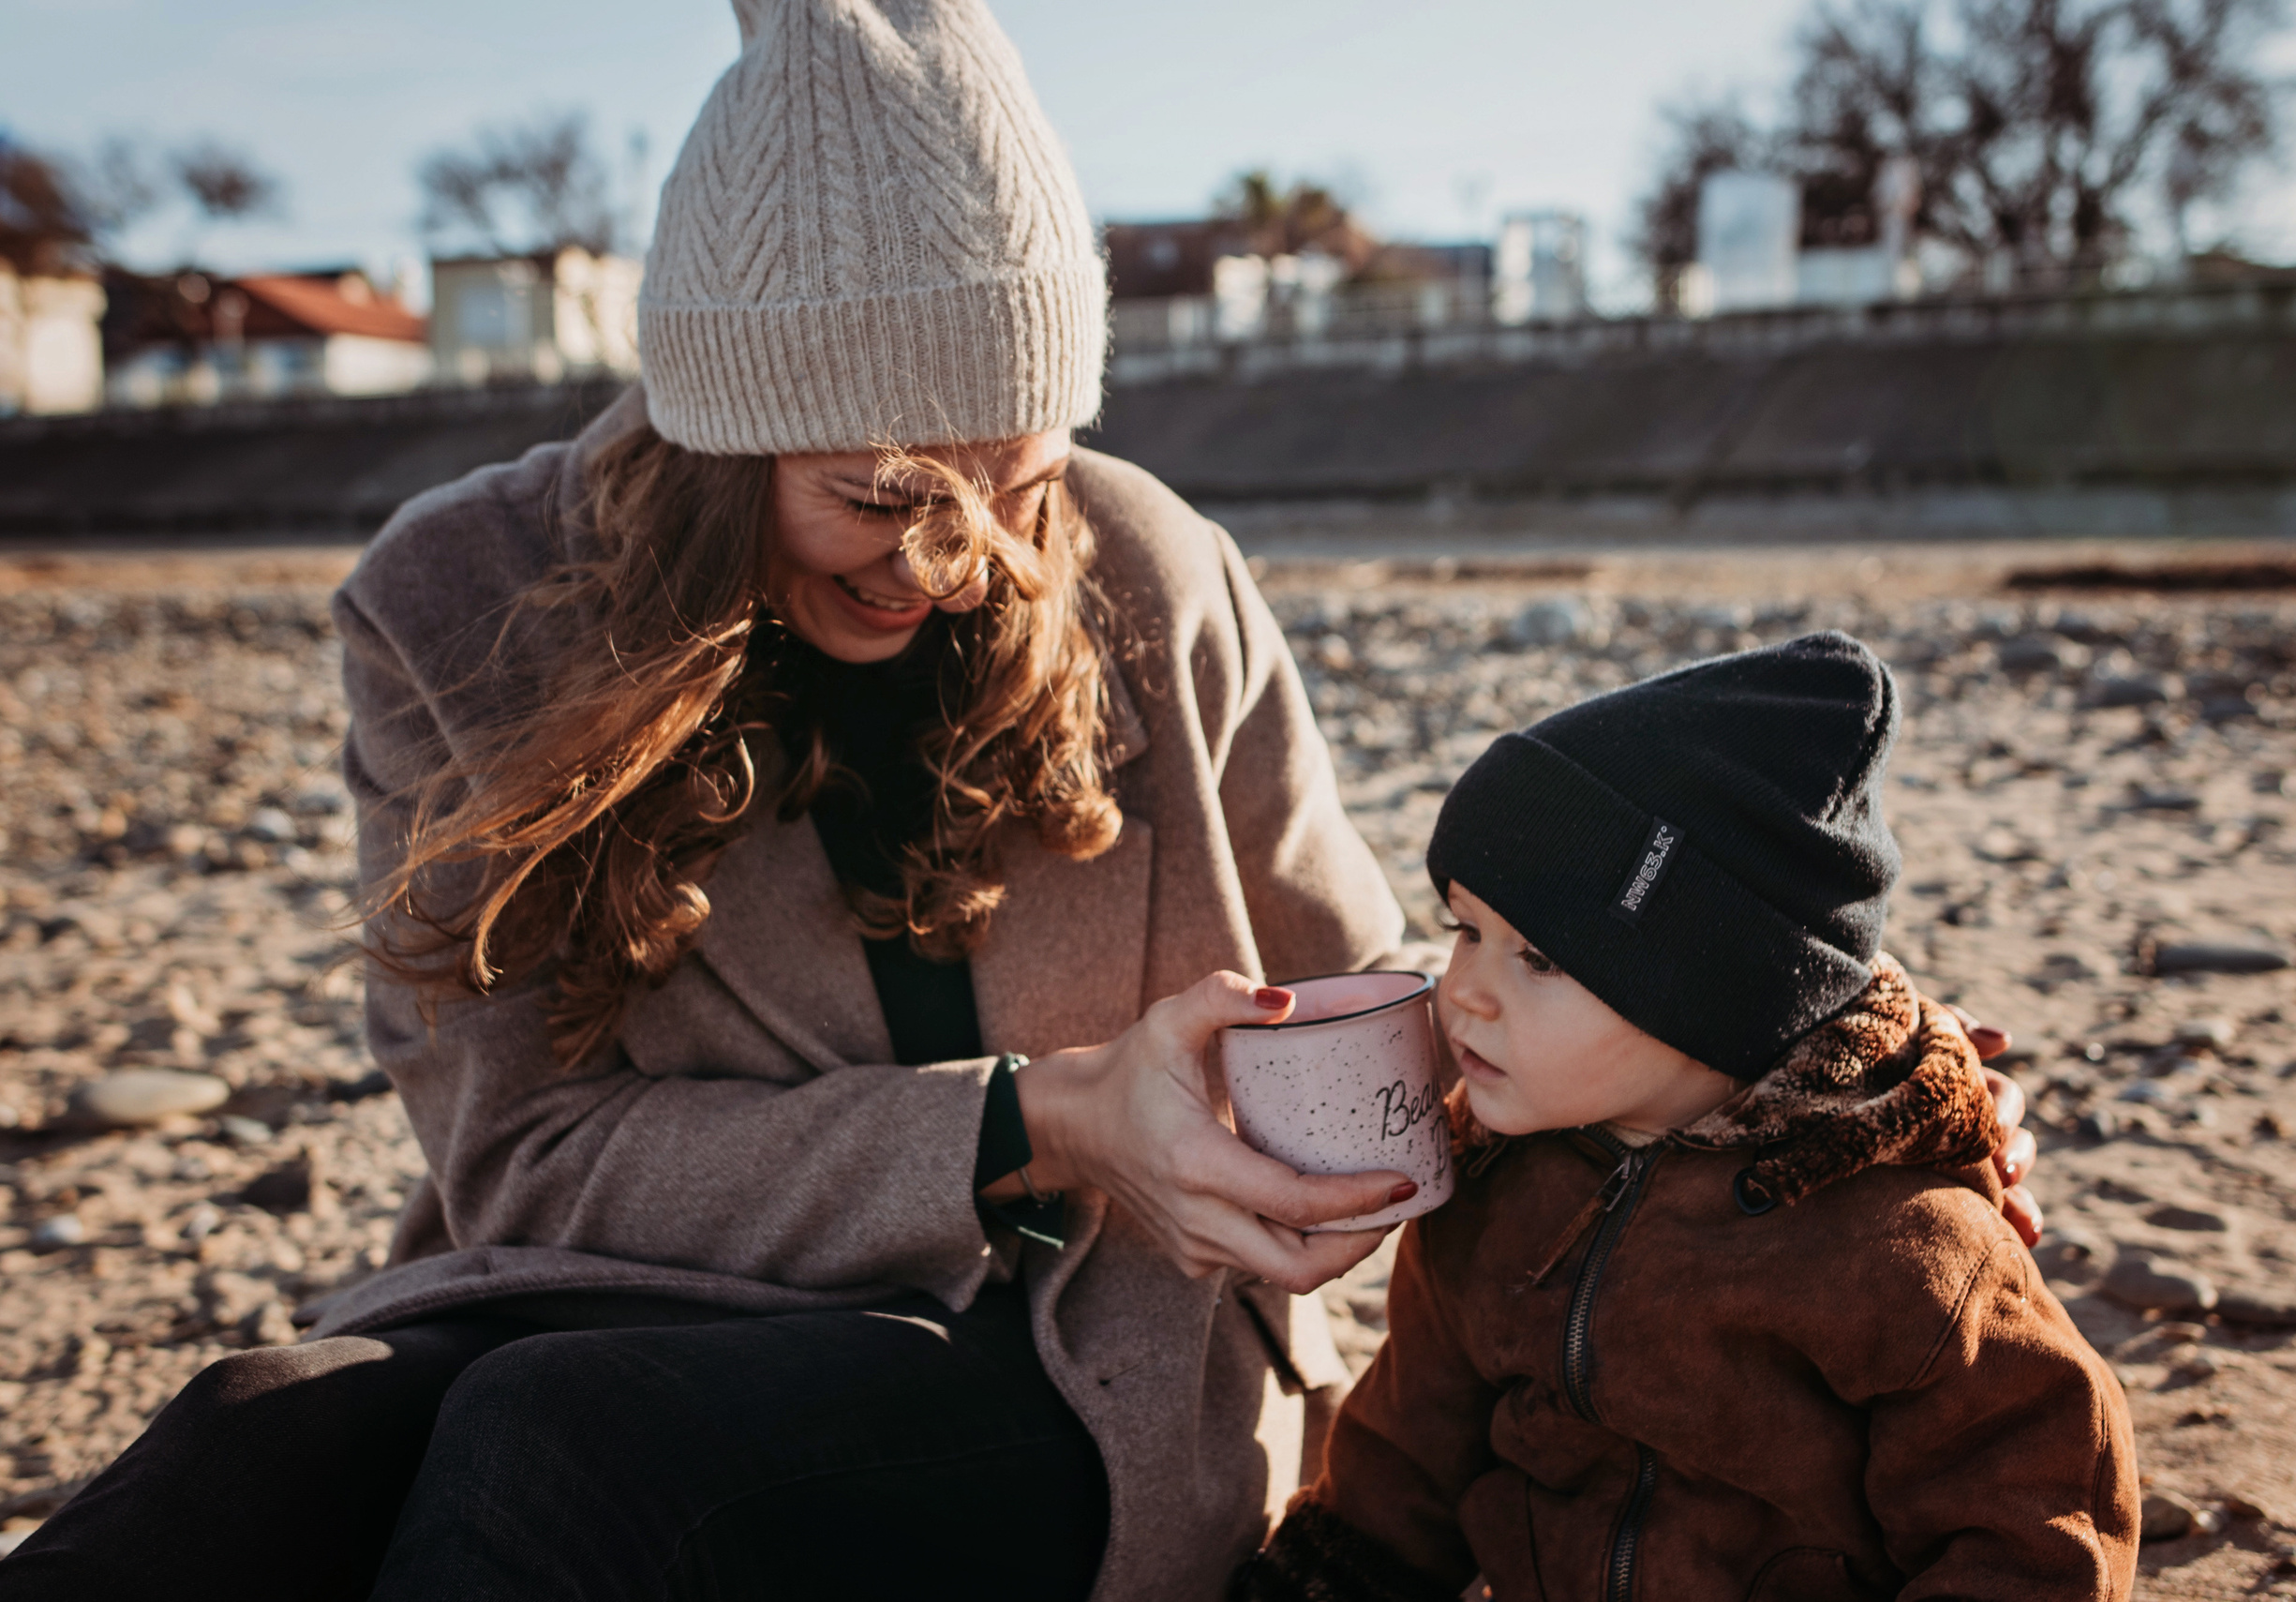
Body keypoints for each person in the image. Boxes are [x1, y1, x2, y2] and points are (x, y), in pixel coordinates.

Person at [0, 4, 2040, 1597]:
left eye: (1013, 469)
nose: (955, 552)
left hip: (1080, 1355)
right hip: (603, 1282)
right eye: (877, 492)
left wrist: (1856, 1073)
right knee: (259, 1438)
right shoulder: (450, 610)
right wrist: (1051, 1107)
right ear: (718, 431)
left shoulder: (1145, 566)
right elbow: (521, 1159)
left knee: (557, 1443)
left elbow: (1408, 1023)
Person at [1234, 634, 2135, 1602]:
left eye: (1538, 957)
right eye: (1465, 929)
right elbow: (1406, 1459)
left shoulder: (1897, 1247)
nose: (1466, 993)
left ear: (1714, 995)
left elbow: (2034, 1524)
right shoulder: (1492, 1185)